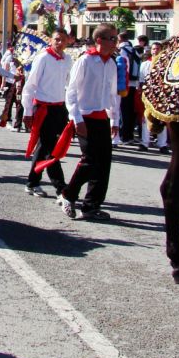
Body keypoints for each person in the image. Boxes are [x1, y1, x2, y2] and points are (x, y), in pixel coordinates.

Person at [59, 24, 119, 220]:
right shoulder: (85, 61)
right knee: (90, 160)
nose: (115, 42)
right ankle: (68, 194)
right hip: (85, 117)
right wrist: (76, 118)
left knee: (103, 164)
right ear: (99, 40)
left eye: (116, 38)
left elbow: (112, 94)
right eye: (112, 38)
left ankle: (91, 205)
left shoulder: (111, 63)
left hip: (102, 118)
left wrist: (114, 119)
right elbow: (72, 91)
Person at [21, 30, 72, 197]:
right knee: (50, 148)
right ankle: (61, 187)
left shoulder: (68, 59)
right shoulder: (43, 57)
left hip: (59, 108)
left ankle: (32, 182)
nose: (59, 42)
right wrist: (28, 111)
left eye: (63, 40)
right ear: (51, 40)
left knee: (44, 147)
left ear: (68, 41)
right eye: (56, 39)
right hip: (43, 108)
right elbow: (30, 85)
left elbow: (69, 84)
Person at [137, 43, 169, 153]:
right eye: (154, 49)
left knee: (161, 120)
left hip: (161, 96)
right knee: (146, 120)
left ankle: (162, 144)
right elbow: (141, 80)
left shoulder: (165, 63)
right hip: (148, 96)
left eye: (157, 49)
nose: (155, 51)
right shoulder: (145, 64)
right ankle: (144, 143)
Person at [116, 31, 141, 143]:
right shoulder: (134, 50)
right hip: (133, 83)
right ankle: (129, 135)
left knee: (122, 110)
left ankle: (123, 135)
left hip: (123, 84)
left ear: (120, 39)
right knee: (130, 110)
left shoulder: (121, 51)